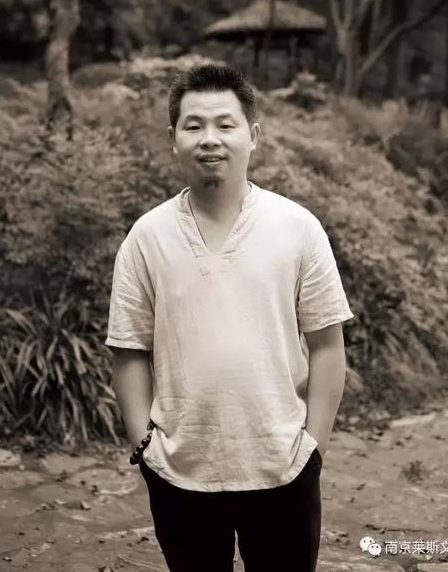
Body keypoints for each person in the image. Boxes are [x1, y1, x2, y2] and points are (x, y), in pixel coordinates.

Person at [106, 63, 355, 572]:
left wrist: (313, 449)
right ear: (173, 138)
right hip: (179, 471)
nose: (209, 138)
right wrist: (144, 446)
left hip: (283, 466)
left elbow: (328, 346)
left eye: (225, 124)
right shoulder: (147, 237)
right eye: (193, 125)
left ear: (253, 135)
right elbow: (129, 349)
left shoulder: (297, 227)